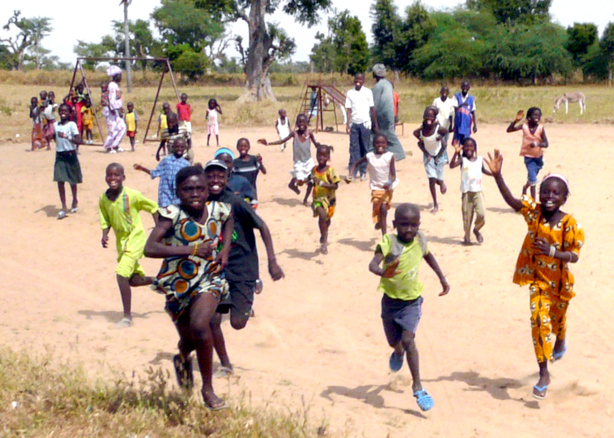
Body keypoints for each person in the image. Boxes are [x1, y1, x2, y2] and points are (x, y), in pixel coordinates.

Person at [484, 150, 584, 401]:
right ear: (540, 194)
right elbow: (513, 202)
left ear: (564, 198)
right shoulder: (535, 214)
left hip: (559, 285)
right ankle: (543, 374)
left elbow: (574, 255)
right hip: (538, 281)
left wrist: (554, 251)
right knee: (539, 322)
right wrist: (498, 177)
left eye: (555, 193)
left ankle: (561, 337)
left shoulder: (570, 223)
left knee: (557, 321)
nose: (550, 196)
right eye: (546, 192)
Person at [144, 164, 234, 411]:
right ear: (178, 191)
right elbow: (150, 248)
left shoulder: (219, 208)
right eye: (188, 189)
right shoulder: (171, 214)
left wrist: (224, 251)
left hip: (209, 278)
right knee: (189, 341)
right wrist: (191, 249)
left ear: (208, 191)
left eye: (200, 189)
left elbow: (228, 221)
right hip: (178, 285)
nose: (194, 194)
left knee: (200, 325)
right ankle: (182, 358)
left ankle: (207, 389)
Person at [204, 159, 284, 377]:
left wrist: (272, 261)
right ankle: (225, 364)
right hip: (216, 269)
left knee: (238, 323)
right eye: (210, 175)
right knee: (212, 320)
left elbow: (263, 226)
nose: (215, 180)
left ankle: (245, 297)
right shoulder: (203, 204)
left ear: (227, 178)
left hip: (243, 267)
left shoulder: (236, 203)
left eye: (220, 176)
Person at [368, 203, 449, 412]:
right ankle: (397, 353)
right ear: (395, 225)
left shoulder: (420, 240)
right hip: (390, 302)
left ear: (419, 225)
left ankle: (418, 386)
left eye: (413, 225)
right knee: (394, 342)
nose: (409, 230)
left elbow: (429, 257)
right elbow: (373, 264)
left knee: (408, 339)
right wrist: (381, 272)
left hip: (412, 302)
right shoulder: (389, 242)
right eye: (404, 225)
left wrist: (442, 278)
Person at [100, 163, 158, 327]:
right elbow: (105, 218)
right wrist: (104, 234)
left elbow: (153, 207)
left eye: (116, 175)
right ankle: (158, 281)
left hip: (135, 237)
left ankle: (127, 317)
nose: (113, 178)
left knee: (121, 274)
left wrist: (159, 231)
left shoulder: (132, 195)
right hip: (121, 241)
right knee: (133, 280)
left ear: (123, 178)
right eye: (109, 175)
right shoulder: (104, 199)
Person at [258, 113, 319, 205]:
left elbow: (316, 144)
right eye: (299, 122)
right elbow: (282, 141)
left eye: (303, 122)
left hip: (309, 161)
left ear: (307, 123)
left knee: (311, 182)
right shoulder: (294, 134)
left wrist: (324, 148)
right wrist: (268, 143)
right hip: (298, 162)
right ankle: (293, 182)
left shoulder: (309, 133)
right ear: (296, 124)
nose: (301, 124)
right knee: (301, 182)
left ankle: (305, 199)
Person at [349, 133, 397, 235]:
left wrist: (389, 182)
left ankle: (380, 223)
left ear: (386, 144)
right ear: (373, 144)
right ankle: (384, 233)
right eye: (377, 143)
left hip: (387, 188)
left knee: (384, 209)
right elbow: (355, 163)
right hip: (376, 187)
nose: (380, 145)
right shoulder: (370, 156)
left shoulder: (390, 156)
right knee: (381, 207)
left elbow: (393, 174)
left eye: (383, 143)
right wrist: (350, 173)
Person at [449, 138, 491, 245]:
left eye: (471, 146)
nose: (469, 148)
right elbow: (451, 165)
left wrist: (495, 174)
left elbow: (484, 171)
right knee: (467, 217)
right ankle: (467, 238)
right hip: (466, 193)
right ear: (463, 148)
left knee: (481, 213)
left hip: (477, 192)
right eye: (466, 146)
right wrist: (456, 153)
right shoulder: (463, 160)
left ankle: (476, 229)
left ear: (475, 148)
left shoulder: (480, 160)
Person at [506, 107, 549, 200]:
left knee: (532, 178)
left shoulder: (541, 128)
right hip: (529, 158)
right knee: (534, 181)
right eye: (534, 115)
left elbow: (546, 144)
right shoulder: (524, 126)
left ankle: (525, 187)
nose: (537, 117)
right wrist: (516, 121)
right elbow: (509, 130)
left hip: (538, 158)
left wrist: (537, 144)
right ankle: (533, 203)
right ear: (529, 117)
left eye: (538, 115)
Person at [134, 138, 190, 208]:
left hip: (178, 196)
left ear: (185, 148)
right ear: (173, 147)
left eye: (182, 147)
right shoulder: (166, 160)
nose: (179, 149)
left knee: (176, 215)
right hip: (165, 194)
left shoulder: (186, 164)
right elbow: (155, 173)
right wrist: (142, 168)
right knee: (164, 214)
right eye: (177, 147)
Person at [413, 106, 449, 213]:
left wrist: (440, 137)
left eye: (431, 117)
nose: (429, 118)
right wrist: (425, 149)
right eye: (427, 116)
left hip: (440, 155)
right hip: (428, 156)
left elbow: (444, 143)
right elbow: (418, 140)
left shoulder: (438, 129)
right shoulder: (422, 130)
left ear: (435, 118)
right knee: (432, 180)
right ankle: (435, 203)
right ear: (424, 117)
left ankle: (442, 182)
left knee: (438, 180)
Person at [345, 73, 378, 180]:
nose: (358, 81)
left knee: (365, 147)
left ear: (363, 80)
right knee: (354, 148)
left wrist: (375, 125)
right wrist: (347, 124)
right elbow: (349, 110)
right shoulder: (350, 93)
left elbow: (372, 109)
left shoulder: (368, 92)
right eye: (356, 79)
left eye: (360, 79)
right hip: (354, 124)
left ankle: (363, 171)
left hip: (365, 124)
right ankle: (353, 172)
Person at [309, 144, 340, 254]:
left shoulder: (331, 171)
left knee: (326, 220)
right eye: (319, 155)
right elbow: (311, 182)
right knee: (322, 215)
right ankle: (324, 241)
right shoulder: (314, 170)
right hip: (318, 199)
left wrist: (322, 183)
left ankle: (324, 234)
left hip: (330, 200)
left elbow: (335, 186)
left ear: (328, 157)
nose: (321, 158)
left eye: (324, 155)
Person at [372, 64, 406, 162]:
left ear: (374, 75)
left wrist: (374, 120)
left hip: (382, 117)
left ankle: (398, 154)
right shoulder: (387, 84)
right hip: (390, 115)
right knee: (387, 136)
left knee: (386, 136)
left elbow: (375, 104)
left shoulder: (378, 87)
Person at [53, 103, 82, 219]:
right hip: (60, 156)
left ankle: (74, 199)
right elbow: (54, 137)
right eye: (61, 111)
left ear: (70, 113)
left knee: (72, 180)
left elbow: (78, 140)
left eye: (65, 111)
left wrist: (67, 137)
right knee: (60, 180)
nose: (63, 113)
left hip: (71, 155)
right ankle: (64, 206)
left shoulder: (72, 125)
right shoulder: (56, 125)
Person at [233, 138, 266, 206]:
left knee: (252, 212)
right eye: (241, 146)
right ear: (237, 148)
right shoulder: (235, 163)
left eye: (245, 146)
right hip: (240, 193)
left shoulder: (254, 159)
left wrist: (260, 163)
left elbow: (264, 172)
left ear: (249, 147)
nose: (243, 148)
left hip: (252, 193)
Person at [103, 66, 126, 154]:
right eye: (120, 75)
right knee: (113, 130)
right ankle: (108, 147)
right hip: (112, 111)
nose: (121, 77)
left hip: (117, 110)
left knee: (122, 127)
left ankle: (115, 145)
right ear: (116, 76)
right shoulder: (112, 85)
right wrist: (115, 108)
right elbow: (111, 99)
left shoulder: (116, 85)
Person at [432, 85, 454, 162]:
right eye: (443, 91)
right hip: (438, 124)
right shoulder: (436, 101)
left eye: (446, 91)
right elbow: (433, 112)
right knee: (440, 141)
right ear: (440, 92)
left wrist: (451, 125)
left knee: (445, 141)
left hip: (446, 125)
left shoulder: (450, 102)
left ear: (448, 93)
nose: (444, 93)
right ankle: (443, 157)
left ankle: (443, 157)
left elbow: (451, 114)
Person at [452, 80, 477, 146]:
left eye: (467, 86)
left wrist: (475, 125)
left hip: (466, 125)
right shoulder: (456, 96)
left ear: (469, 88)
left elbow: (473, 112)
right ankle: (458, 155)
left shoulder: (471, 99)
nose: (465, 88)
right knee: (457, 143)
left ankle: (464, 155)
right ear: (461, 87)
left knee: (466, 143)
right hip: (458, 124)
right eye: (463, 86)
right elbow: (455, 109)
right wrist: (462, 105)